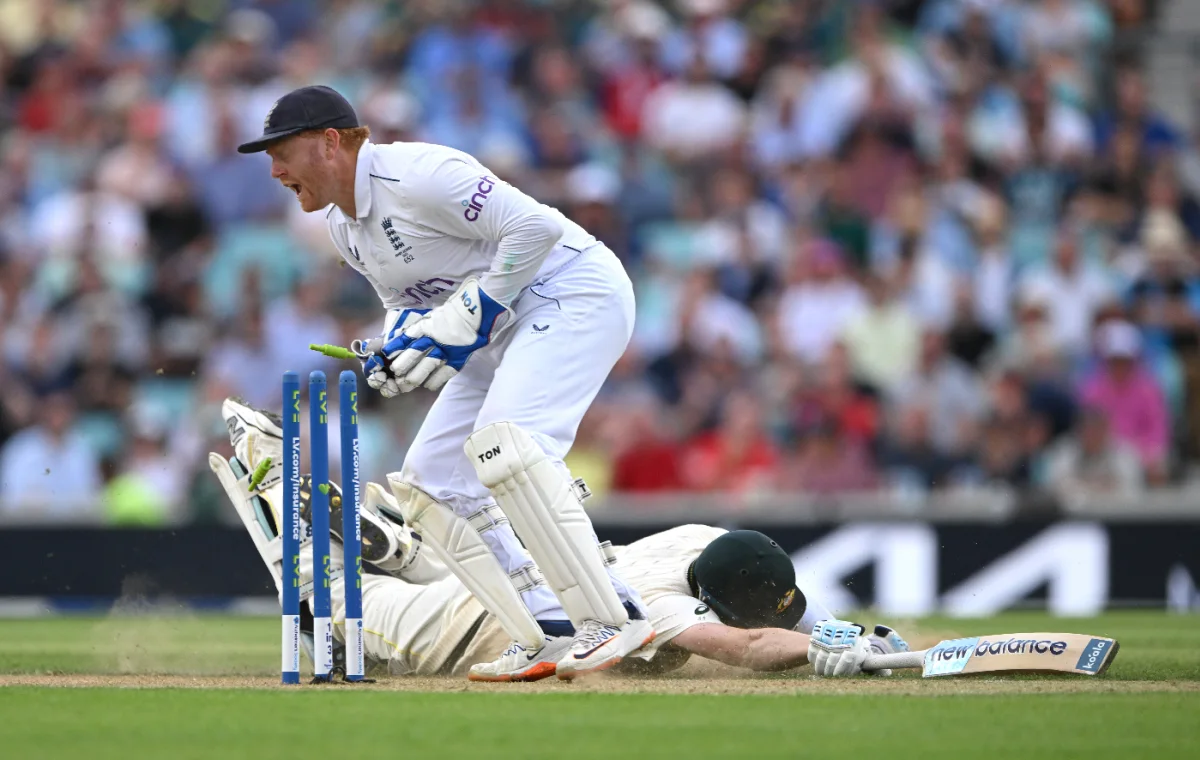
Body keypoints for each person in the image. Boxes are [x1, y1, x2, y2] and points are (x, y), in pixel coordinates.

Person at [235, 85, 656, 681]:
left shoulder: (421, 173)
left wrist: (478, 307)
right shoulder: (342, 227)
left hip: (570, 293)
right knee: (432, 483)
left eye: (282, 152)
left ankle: (613, 615)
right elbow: (405, 303)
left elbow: (535, 229)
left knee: (506, 448)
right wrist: (393, 348)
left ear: (331, 143)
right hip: (498, 327)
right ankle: (546, 628)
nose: (275, 171)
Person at [210, 398, 908, 680]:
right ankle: (272, 472)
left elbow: (779, 608)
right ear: (717, 604)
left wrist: (850, 633)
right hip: (459, 631)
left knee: (459, 564)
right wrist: (824, 652)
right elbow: (750, 645)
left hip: (528, 584)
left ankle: (401, 545)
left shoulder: (707, 539)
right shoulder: (662, 607)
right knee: (332, 604)